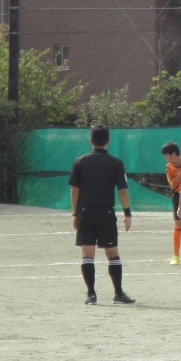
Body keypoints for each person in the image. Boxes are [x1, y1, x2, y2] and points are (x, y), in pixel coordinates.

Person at [65, 125, 134, 305]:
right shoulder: (116, 163)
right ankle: (118, 293)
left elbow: (74, 191)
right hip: (106, 212)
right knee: (112, 253)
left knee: (87, 254)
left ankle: (91, 295)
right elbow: (123, 191)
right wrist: (127, 214)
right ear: (108, 141)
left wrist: (75, 214)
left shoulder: (79, 162)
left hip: (85, 212)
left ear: (91, 141)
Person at [161, 141, 181, 265]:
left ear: (173, 154)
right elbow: (173, 185)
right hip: (176, 196)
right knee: (178, 225)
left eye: (167, 155)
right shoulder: (169, 167)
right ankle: (175, 256)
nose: (166, 158)